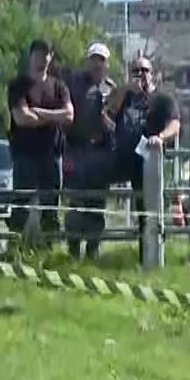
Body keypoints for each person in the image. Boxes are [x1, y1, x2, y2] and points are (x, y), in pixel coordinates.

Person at [6, 38, 74, 244]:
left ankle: (49, 250)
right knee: (20, 206)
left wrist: (40, 112)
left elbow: (69, 115)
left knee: (51, 207)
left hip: (52, 154)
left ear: (50, 57)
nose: (41, 59)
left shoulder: (59, 86)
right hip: (25, 154)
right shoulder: (18, 86)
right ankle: (14, 248)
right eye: (37, 54)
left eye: (46, 54)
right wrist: (54, 116)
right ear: (30, 56)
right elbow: (22, 118)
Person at [107, 55, 182, 240]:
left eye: (144, 70)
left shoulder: (162, 99)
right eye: (136, 71)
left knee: (151, 209)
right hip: (126, 158)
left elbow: (175, 124)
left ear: (152, 74)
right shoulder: (125, 97)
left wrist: (160, 137)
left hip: (150, 160)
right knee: (139, 208)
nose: (140, 74)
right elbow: (109, 113)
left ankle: (153, 248)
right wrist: (125, 89)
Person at [64, 42, 117, 259]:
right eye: (93, 59)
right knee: (76, 202)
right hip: (77, 150)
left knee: (97, 203)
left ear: (107, 64)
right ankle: (73, 248)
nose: (97, 64)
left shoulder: (112, 89)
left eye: (101, 60)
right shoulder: (74, 85)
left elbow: (116, 122)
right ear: (88, 61)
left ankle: (93, 249)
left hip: (100, 153)